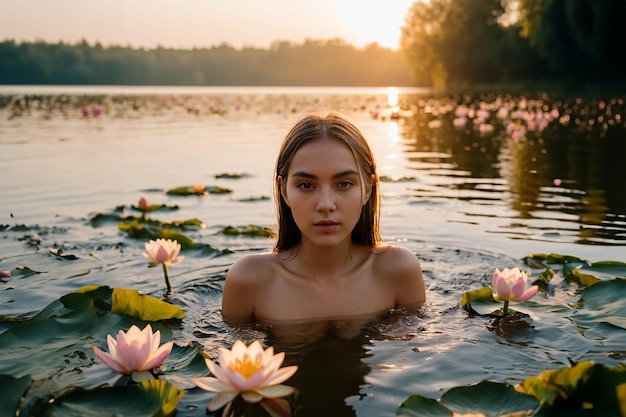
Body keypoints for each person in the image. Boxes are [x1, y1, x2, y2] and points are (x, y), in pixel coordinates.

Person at [221, 108, 426, 329]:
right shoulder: (249, 281)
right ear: (284, 190)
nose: (326, 204)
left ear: (368, 189)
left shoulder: (398, 271)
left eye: (344, 184)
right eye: (306, 185)